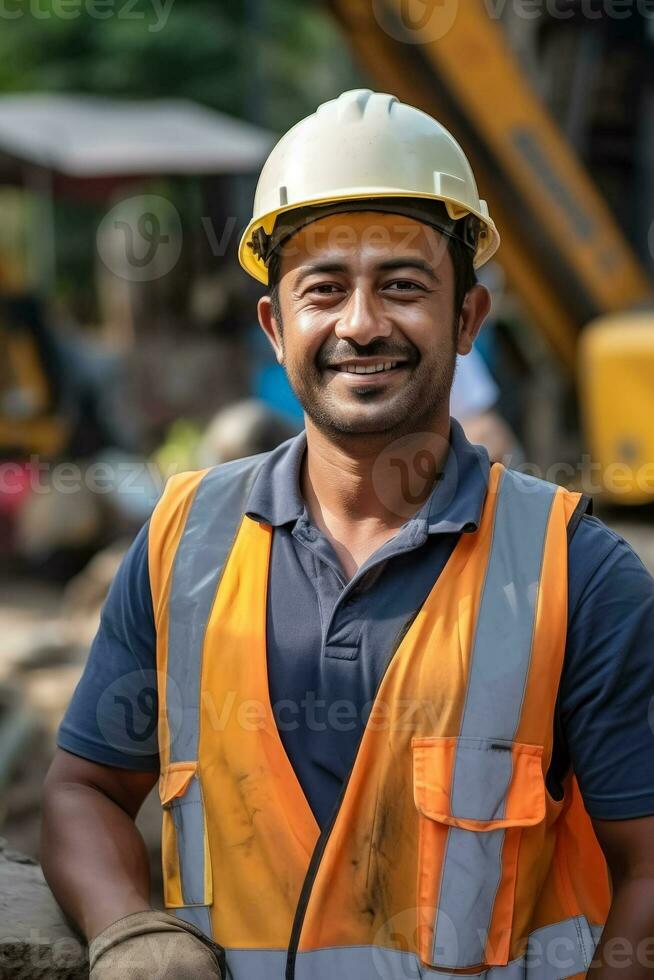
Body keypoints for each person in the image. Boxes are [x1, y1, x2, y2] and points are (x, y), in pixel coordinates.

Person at [42, 90, 654, 980]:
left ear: (468, 319)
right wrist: (130, 928)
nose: (361, 323)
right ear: (276, 326)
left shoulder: (576, 572)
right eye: (323, 289)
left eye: (402, 286)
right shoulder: (183, 546)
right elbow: (84, 790)